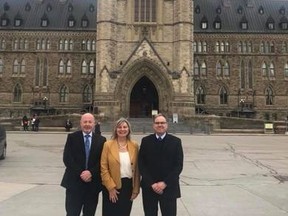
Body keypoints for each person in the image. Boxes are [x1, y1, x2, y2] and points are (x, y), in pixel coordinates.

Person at [61, 113, 106, 216]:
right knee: (72, 213)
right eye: (85, 122)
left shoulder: (101, 140)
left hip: (92, 184)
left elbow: (102, 161)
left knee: (90, 213)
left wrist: (91, 173)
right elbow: (67, 159)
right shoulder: (72, 137)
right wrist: (82, 173)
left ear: (94, 124)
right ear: (80, 123)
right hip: (74, 183)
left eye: (90, 122)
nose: (87, 124)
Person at [138, 113, 184, 216]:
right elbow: (141, 164)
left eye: (162, 123)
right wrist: (152, 183)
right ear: (153, 125)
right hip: (150, 188)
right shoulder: (146, 141)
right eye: (157, 123)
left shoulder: (176, 142)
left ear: (167, 125)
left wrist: (164, 183)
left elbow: (178, 166)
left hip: (169, 187)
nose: (160, 125)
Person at [100, 118, 140, 216]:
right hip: (112, 186)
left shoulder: (134, 145)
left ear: (129, 129)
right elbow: (103, 167)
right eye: (119, 127)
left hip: (128, 187)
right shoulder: (108, 145)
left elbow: (138, 170)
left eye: (125, 127)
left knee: (124, 213)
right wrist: (110, 188)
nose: (122, 129)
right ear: (115, 129)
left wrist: (136, 189)